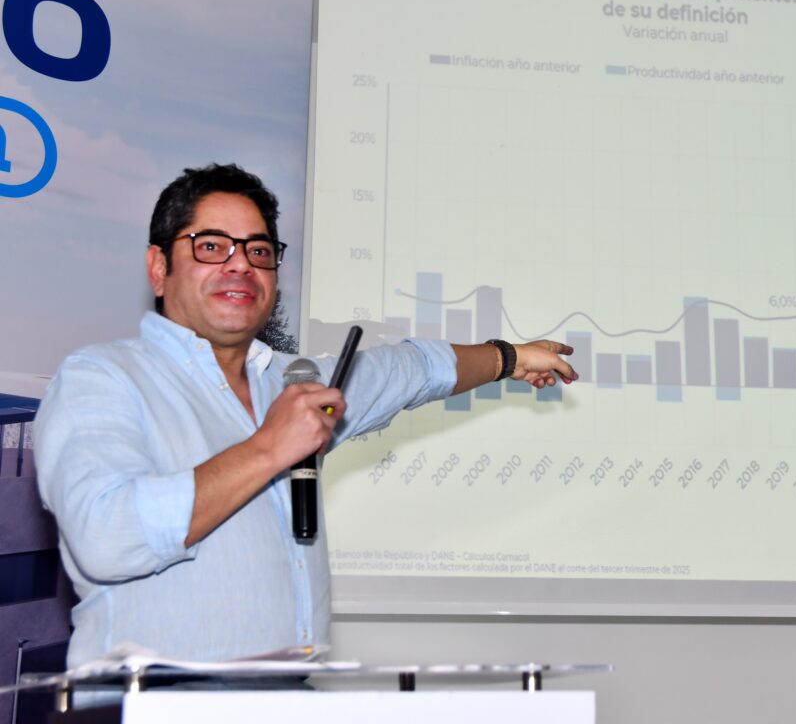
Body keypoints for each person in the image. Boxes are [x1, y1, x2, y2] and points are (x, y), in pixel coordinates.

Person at [34, 163, 577, 668]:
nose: (241, 264)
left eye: (259, 250)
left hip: (289, 697)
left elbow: (410, 370)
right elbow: (105, 536)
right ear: (159, 267)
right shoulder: (101, 377)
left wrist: (508, 358)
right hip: (149, 704)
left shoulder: (292, 384)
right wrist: (269, 448)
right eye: (212, 246)